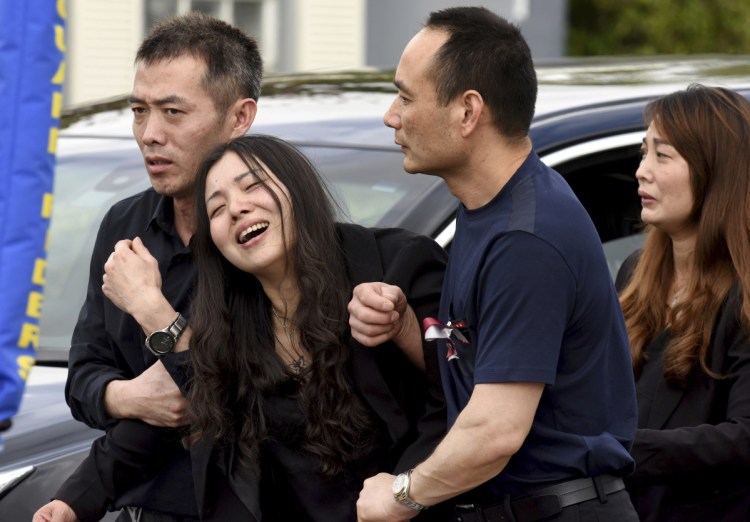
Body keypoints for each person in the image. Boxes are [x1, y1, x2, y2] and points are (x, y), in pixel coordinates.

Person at [33, 134, 450, 522]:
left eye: (253, 187)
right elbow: (172, 410)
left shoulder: (396, 264)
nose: (236, 208)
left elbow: (459, 395)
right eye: (216, 208)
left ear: (297, 188)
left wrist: (406, 489)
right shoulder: (228, 321)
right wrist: (72, 501)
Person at [355, 7, 639, 522]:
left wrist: (401, 494)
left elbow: (496, 430)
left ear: (468, 112)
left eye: (405, 96)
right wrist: (403, 329)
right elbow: (483, 370)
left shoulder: (526, 238)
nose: (390, 116)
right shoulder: (488, 211)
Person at [34, 12, 262, 522]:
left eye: (173, 112)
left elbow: (223, 396)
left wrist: (150, 308)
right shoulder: (126, 223)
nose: (149, 134)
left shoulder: (266, 234)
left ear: (239, 117)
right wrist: (127, 396)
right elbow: (84, 375)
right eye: (139, 110)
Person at [615, 85, 750, 521]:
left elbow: (744, 437)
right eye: (642, 153)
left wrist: (614, 448)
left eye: (662, 155)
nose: (641, 171)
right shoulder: (635, 272)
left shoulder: (743, 294)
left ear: (715, 171)